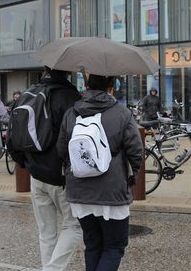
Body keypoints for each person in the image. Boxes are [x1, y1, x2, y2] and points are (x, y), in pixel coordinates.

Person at [57, 74, 142, 271]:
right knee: (114, 247)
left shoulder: (72, 113)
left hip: (79, 192)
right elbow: (136, 152)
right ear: (111, 88)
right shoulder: (122, 114)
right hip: (112, 192)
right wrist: (133, 174)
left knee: (93, 245)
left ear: (86, 86)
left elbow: (61, 150)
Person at [16, 67, 82, 271]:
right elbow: (77, 138)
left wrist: (26, 163)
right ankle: (51, 269)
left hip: (36, 174)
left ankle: (49, 267)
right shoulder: (70, 96)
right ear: (68, 72)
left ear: (45, 69)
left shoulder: (30, 92)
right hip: (61, 175)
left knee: (46, 232)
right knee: (74, 225)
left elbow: (13, 136)